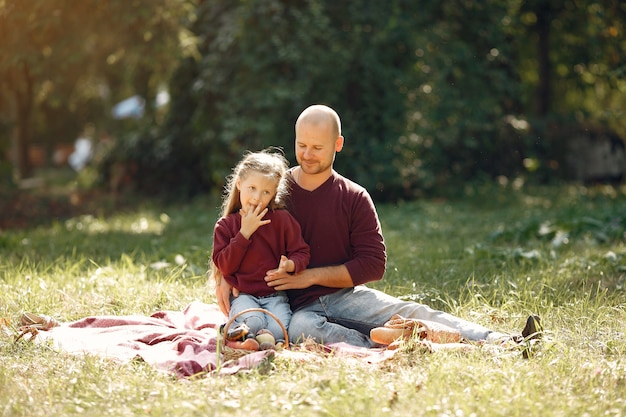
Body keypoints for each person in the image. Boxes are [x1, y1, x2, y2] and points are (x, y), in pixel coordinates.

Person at [216, 105, 538, 348]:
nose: (308, 154)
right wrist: (220, 279)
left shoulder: (354, 196)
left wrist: (308, 276)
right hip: (291, 307)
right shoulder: (276, 190)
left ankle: (504, 342)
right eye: (302, 145)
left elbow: (373, 264)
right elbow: (233, 222)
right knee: (302, 329)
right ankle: (391, 345)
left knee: (412, 310)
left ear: (338, 144)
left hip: (343, 294)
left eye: (318, 147)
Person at [212, 149, 310, 350]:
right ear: (239, 184)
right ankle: (242, 337)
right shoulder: (226, 226)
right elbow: (225, 266)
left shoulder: (282, 221)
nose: (257, 197)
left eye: (266, 192)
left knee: (281, 328)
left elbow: (302, 252)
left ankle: (255, 340)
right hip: (244, 295)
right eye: (252, 188)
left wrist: (290, 264)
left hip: (276, 297)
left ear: (274, 193)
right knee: (254, 321)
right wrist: (244, 233)